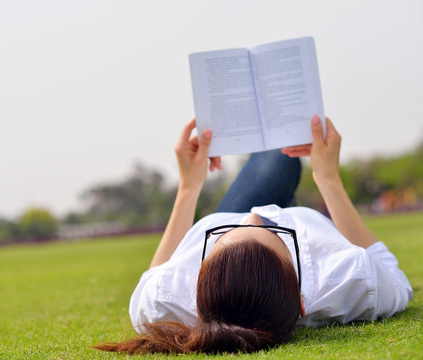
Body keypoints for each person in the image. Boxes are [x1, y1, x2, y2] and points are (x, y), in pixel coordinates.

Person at [94, 115, 413, 354]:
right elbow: (394, 277)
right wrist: (328, 179)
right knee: (279, 154)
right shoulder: (348, 278)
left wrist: (189, 187)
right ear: (302, 301)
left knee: (274, 158)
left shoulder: (167, 297)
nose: (254, 213)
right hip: (304, 245)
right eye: (274, 232)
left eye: (228, 232)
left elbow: (154, 275)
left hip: (243, 262)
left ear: (198, 287)